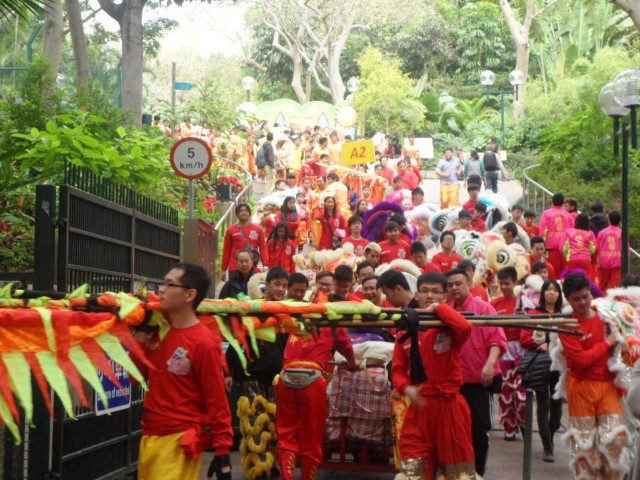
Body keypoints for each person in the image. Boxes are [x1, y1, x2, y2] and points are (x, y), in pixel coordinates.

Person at [135, 263, 233, 480]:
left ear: (190, 294)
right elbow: (135, 378)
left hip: (179, 442)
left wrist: (223, 453)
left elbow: (217, 400)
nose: (161, 289)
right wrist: (141, 332)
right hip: (149, 438)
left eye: (170, 284)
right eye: (163, 282)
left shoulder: (204, 342)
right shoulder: (159, 333)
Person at [392, 272, 477, 479]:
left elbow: (465, 326)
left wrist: (438, 309)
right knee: (413, 471)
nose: (429, 295)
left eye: (436, 292)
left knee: (458, 474)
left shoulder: (450, 326)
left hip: (450, 408)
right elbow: (397, 370)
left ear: (445, 296)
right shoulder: (405, 332)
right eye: (425, 291)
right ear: (417, 294)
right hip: (419, 408)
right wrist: (406, 387)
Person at [557, 272, 629, 479]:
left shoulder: (606, 314)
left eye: (586, 296)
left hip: (608, 386)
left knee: (614, 443)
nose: (583, 302)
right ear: (568, 300)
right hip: (581, 388)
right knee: (584, 449)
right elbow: (580, 361)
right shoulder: (567, 324)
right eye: (576, 299)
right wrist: (607, 343)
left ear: (591, 293)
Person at [275, 310, 356, 480]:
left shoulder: (297, 320)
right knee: (312, 436)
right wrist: (352, 364)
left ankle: (287, 477)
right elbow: (347, 350)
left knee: (286, 434)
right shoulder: (333, 322)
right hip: (312, 379)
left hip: (285, 376)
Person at [446, 268, 507, 476]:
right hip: (454, 382)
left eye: (458, 283)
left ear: (468, 283)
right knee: (455, 432)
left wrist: (490, 364)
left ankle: (477, 473)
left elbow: (497, 340)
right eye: (450, 284)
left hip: (479, 381)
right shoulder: (447, 310)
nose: (454, 287)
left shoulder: (484, 308)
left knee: (479, 431)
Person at [520, 279, 564, 462]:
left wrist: (555, 344)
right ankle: (547, 446)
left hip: (559, 364)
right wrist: (540, 344)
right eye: (548, 290)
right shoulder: (534, 314)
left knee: (557, 407)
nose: (551, 293)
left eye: (555, 290)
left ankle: (551, 434)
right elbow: (524, 338)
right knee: (542, 403)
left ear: (560, 294)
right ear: (543, 293)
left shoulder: (565, 315)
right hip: (540, 364)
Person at [491, 267, 526, 441]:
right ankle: (509, 428)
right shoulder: (495, 304)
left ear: (515, 283)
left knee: (521, 390)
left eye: (508, 284)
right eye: (501, 284)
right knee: (505, 393)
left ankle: (524, 424)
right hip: (502, 350)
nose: (504, 287)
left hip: (521, 348)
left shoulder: (524, 301)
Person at [221, 203, 268, 280]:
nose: (243, 212)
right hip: (234, 268)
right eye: (240, 211)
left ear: (249, 213)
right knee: (236, 292)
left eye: (246, 210)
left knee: (251, 291)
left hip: (252, 267)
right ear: (237, 214)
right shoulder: (231, 230)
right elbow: (226, 250)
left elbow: (263, 248)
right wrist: (223, 269)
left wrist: (265, 265)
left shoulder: (258, 229)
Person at [539, 193, 575, 277]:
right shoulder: (568, 215)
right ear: (562, 202)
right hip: (565, 248)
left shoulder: (546, 213)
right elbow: (573, 231)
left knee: (552, 272)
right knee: (564, 273)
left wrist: (541, 246)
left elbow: (542, 231)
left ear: (552, 201)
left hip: (551, 248)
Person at [560, 213, 597, 280]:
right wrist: (587, 253)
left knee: (571, 280)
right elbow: (593, 248)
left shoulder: (569, 231)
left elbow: (563, 248)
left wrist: (567, 256)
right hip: (585, 259)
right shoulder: (590, 233)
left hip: (572, 259)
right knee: (587, 280)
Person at [596, 210, 622, 291]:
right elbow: (626, 250)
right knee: (615, 285)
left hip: (603, 261)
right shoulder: (621, 233)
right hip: (617, 262)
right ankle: (614, 301)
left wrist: (596, 261)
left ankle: (600, 300)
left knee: (602, 284)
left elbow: (597, 247)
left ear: (609, 220)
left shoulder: (602, 233)